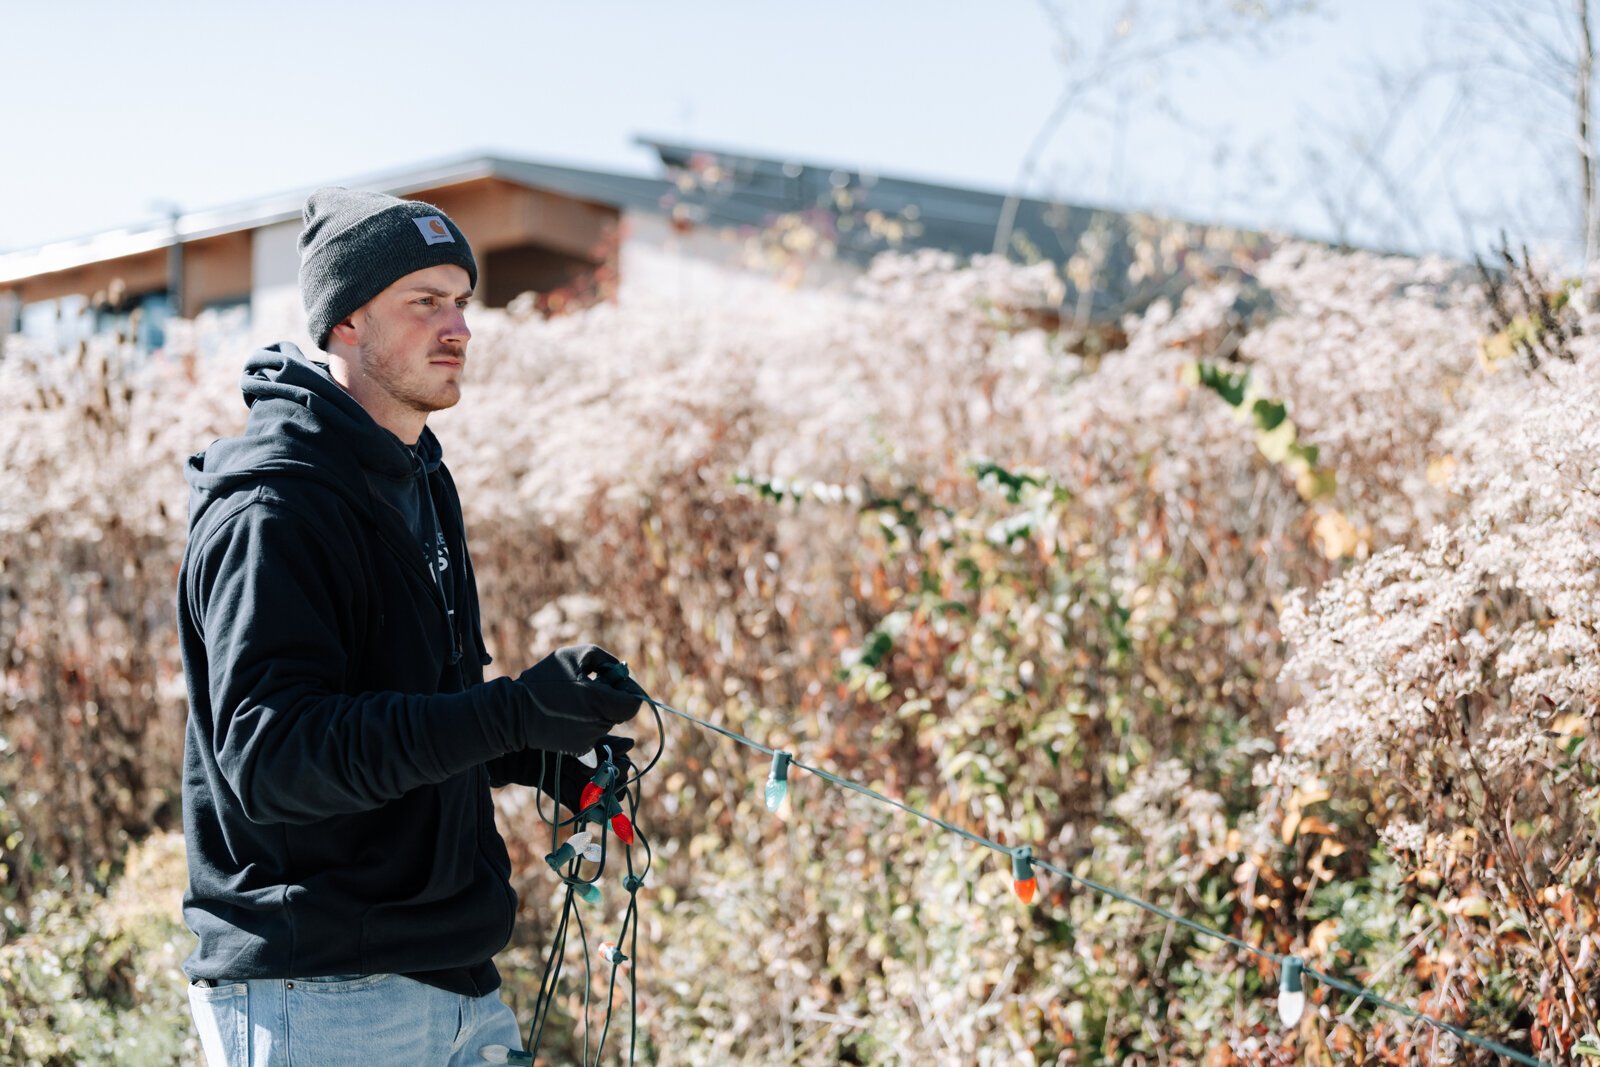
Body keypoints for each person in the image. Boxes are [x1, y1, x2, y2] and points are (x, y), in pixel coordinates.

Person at [176, 187, 645, 1067]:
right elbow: (275, 758)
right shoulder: (273, 510)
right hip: (315, 994)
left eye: (461, 300)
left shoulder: (420, 478)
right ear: (345, 322)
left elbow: (414, 703)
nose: (458, 327)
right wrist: (505, 714)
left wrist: (538, 747)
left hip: (457, 979)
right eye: (423, 301)